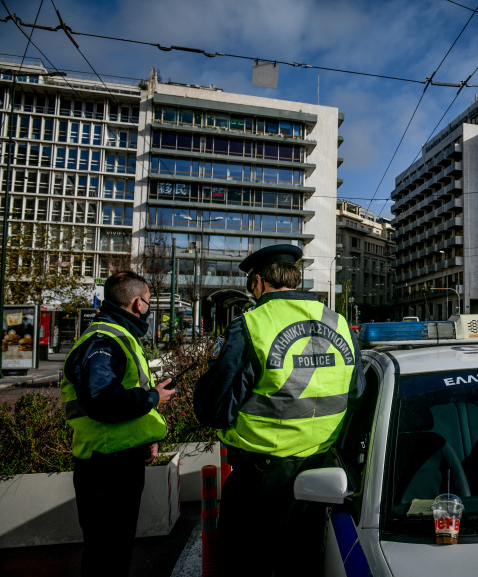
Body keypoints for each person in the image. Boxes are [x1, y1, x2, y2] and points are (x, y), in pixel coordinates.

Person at [194, 244, 364, 577]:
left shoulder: (250, 325)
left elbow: (213, 408)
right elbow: (357, 394)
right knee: (301, 567)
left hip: (260, 483)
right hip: (320, 479)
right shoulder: (339, 323)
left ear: (258, 282)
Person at [60, 271, 175, 576]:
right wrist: (153, 397)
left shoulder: (115, 335)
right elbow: (103, 401)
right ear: (138, 303)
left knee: (113, 552)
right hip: (107, 467)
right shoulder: (106, 340)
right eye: (148, 301)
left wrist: (144, 438)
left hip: (114, 459)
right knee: (107, 556)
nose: (148, 307)